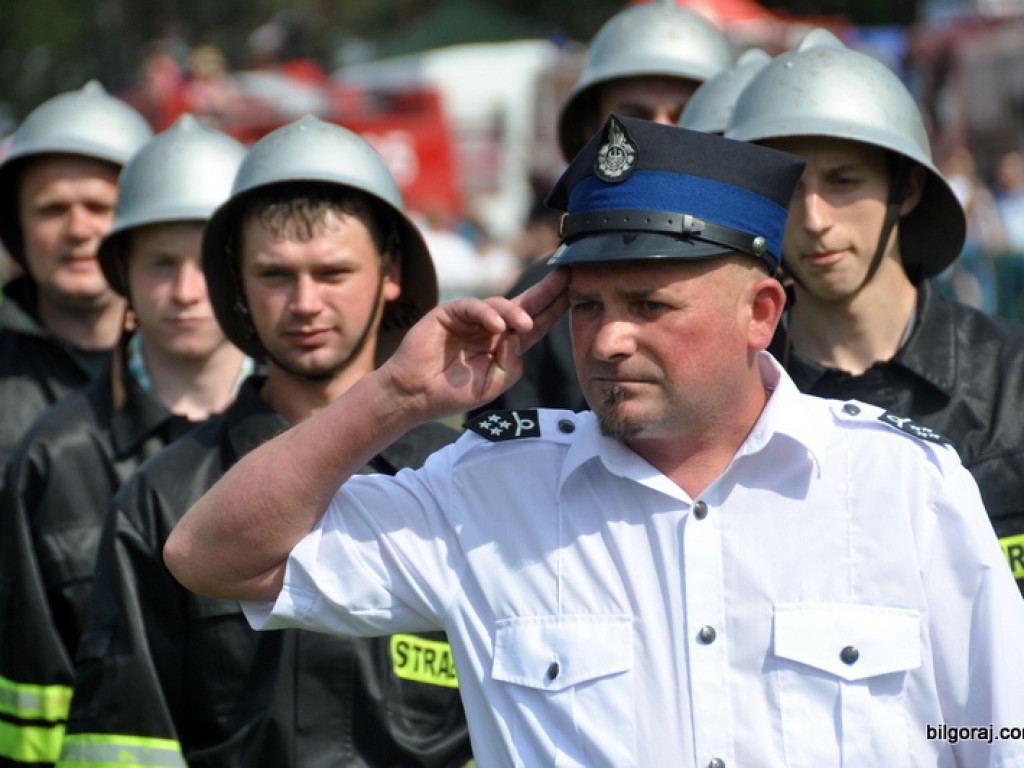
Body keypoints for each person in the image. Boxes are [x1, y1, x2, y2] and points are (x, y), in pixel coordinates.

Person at [166, 115, 1024, 766]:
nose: (608, 341)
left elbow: (994, 726)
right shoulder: (488, 494)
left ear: (760, 313)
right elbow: (213, 556)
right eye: (585, 307)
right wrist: (393, 394)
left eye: (650, 306)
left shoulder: (901, 485)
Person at [56, 115, 472, 768]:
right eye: (276, 275)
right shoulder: (164, 501)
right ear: (239, 286)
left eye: (333, 272)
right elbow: (124, 743)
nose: (304, 303)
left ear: (391, 272)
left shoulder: (465, 482)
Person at [725, 28, 1024, 596]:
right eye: (787, 190)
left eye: (843, 182)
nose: (814, 219)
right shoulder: (730, 398)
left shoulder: (1014, 381)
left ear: (906, 189)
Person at [0, 115, 250, 767]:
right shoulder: (54, 456)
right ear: (124, 273)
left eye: (206, 264)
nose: (187, 292)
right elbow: (34, 700)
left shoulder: (321, 443)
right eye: (160, 264)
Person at [480, 0, 733, 415]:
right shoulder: (542, 298)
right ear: (590, 130)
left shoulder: (776, 283)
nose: (662, 135)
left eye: (687, 114)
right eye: (637, 117)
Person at [0, 81, 153, 469]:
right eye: (52, 209)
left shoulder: (221, 373)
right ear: (17, 227)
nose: (78, 230)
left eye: (99, 207)